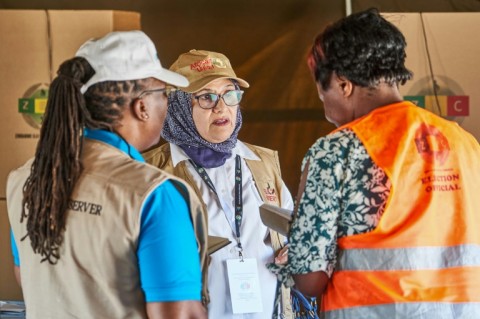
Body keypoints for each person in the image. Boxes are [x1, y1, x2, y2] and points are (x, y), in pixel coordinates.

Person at [280, 8, 480, 318]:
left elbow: (309, 277)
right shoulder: (465, 143)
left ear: (343, 84)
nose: (325, 109)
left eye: (323, 94)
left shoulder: (337, 151)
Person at [7, 31, 207, 319]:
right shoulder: (153, 195)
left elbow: (28, 278)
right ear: (142, 107)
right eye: (163, 93)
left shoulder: (26, 180)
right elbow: (179, 314)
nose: (167, 103)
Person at [143, 49, 294, 318]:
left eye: (230, 94)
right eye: (206, 97)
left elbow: (291, 233)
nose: (222, 107)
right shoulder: (152, 171)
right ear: (178, 106)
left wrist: (295, 251)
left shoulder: (262, 163)